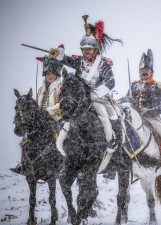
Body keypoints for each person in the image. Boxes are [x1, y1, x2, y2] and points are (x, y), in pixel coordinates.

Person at [52, 16, 123, 158]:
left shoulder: (103, 64)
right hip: (81, 99)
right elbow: (67, 60)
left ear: (95, 50)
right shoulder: (79, 62)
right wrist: (58, 54)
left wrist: (96, 94)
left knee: (111, 114)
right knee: (67, 117)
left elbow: (110, 82)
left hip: (100, 98)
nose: (86, 52)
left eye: (89, 49)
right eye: (84, 49)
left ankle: (116, 142)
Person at [10, 56, 64, 174]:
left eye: (53, 74)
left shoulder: (61, 88)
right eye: (48, 74)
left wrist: (49, 111)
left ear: (57, 75)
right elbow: (38, 105)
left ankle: (63, 163)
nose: (50, 76)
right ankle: (24, 164)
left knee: (60, 136)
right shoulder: (41, 89)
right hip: (41, 118)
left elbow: (61, 105)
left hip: (57, 118)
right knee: (26, 136)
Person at [128, 49, 161, 177]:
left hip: (151, 118)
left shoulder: (157, 86)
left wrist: (150, 112)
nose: (144, 72)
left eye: (146, 70)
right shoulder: (133, 86)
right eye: (142, 70)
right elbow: (127, 99)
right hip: (134, 118)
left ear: (152, 72)